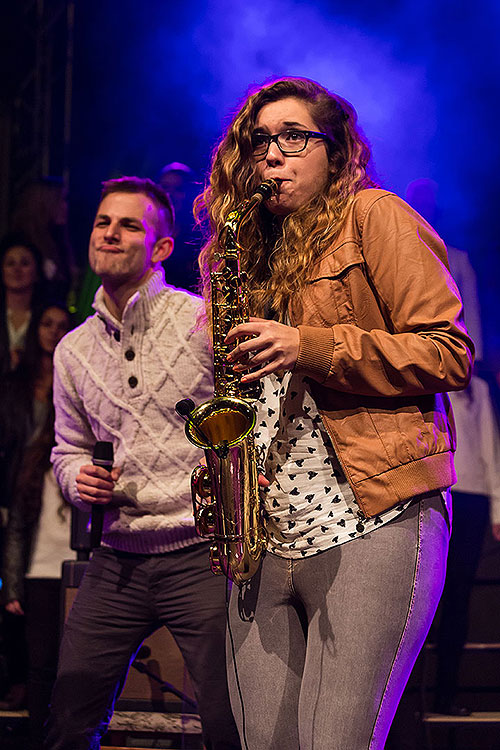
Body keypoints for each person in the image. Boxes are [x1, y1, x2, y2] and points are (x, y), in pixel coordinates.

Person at [195, 77, 473, 750]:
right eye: (260, 141)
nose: (273, 154)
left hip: (373, 518)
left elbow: (448, 353)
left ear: (337, 149)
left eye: (294, 137)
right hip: (265, 533)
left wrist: (308, 344)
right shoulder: (239, 253)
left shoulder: (375, 216)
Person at [44, 176, 240, 750]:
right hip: (118, 557)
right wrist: (77, 478)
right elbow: (66, 449)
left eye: (129, 224)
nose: (110, 232)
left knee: (231, 719)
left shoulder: (202, 322)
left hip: (201, 554)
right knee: (69, 715)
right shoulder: (72, 350)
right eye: (103, 222)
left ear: (160, 248)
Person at [1, 301, 72, 748]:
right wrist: (11, 585)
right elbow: (18, 529)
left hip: (83, 570)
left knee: (76, 667)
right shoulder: (34, 459)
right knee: (41, 666)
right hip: (42, 571)